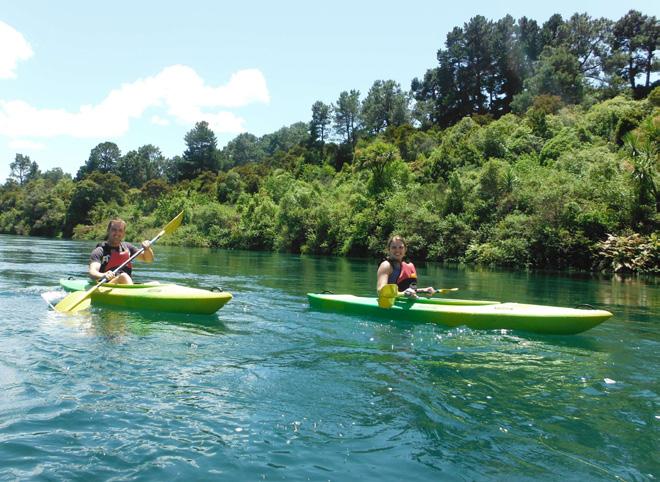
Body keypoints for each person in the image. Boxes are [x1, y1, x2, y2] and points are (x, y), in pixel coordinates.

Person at [88, 218, 154, 285]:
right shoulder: (100, 251)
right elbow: (92, 272)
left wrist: (147, 249)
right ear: (108, 231)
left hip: (124, 286)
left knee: (155, 283)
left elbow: (148, 259)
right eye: (114, 230)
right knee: (123, 276)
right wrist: (103, 275)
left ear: (123, 233)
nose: (117, 233)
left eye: (120, 230)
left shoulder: (128, 247)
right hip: (106, 285)